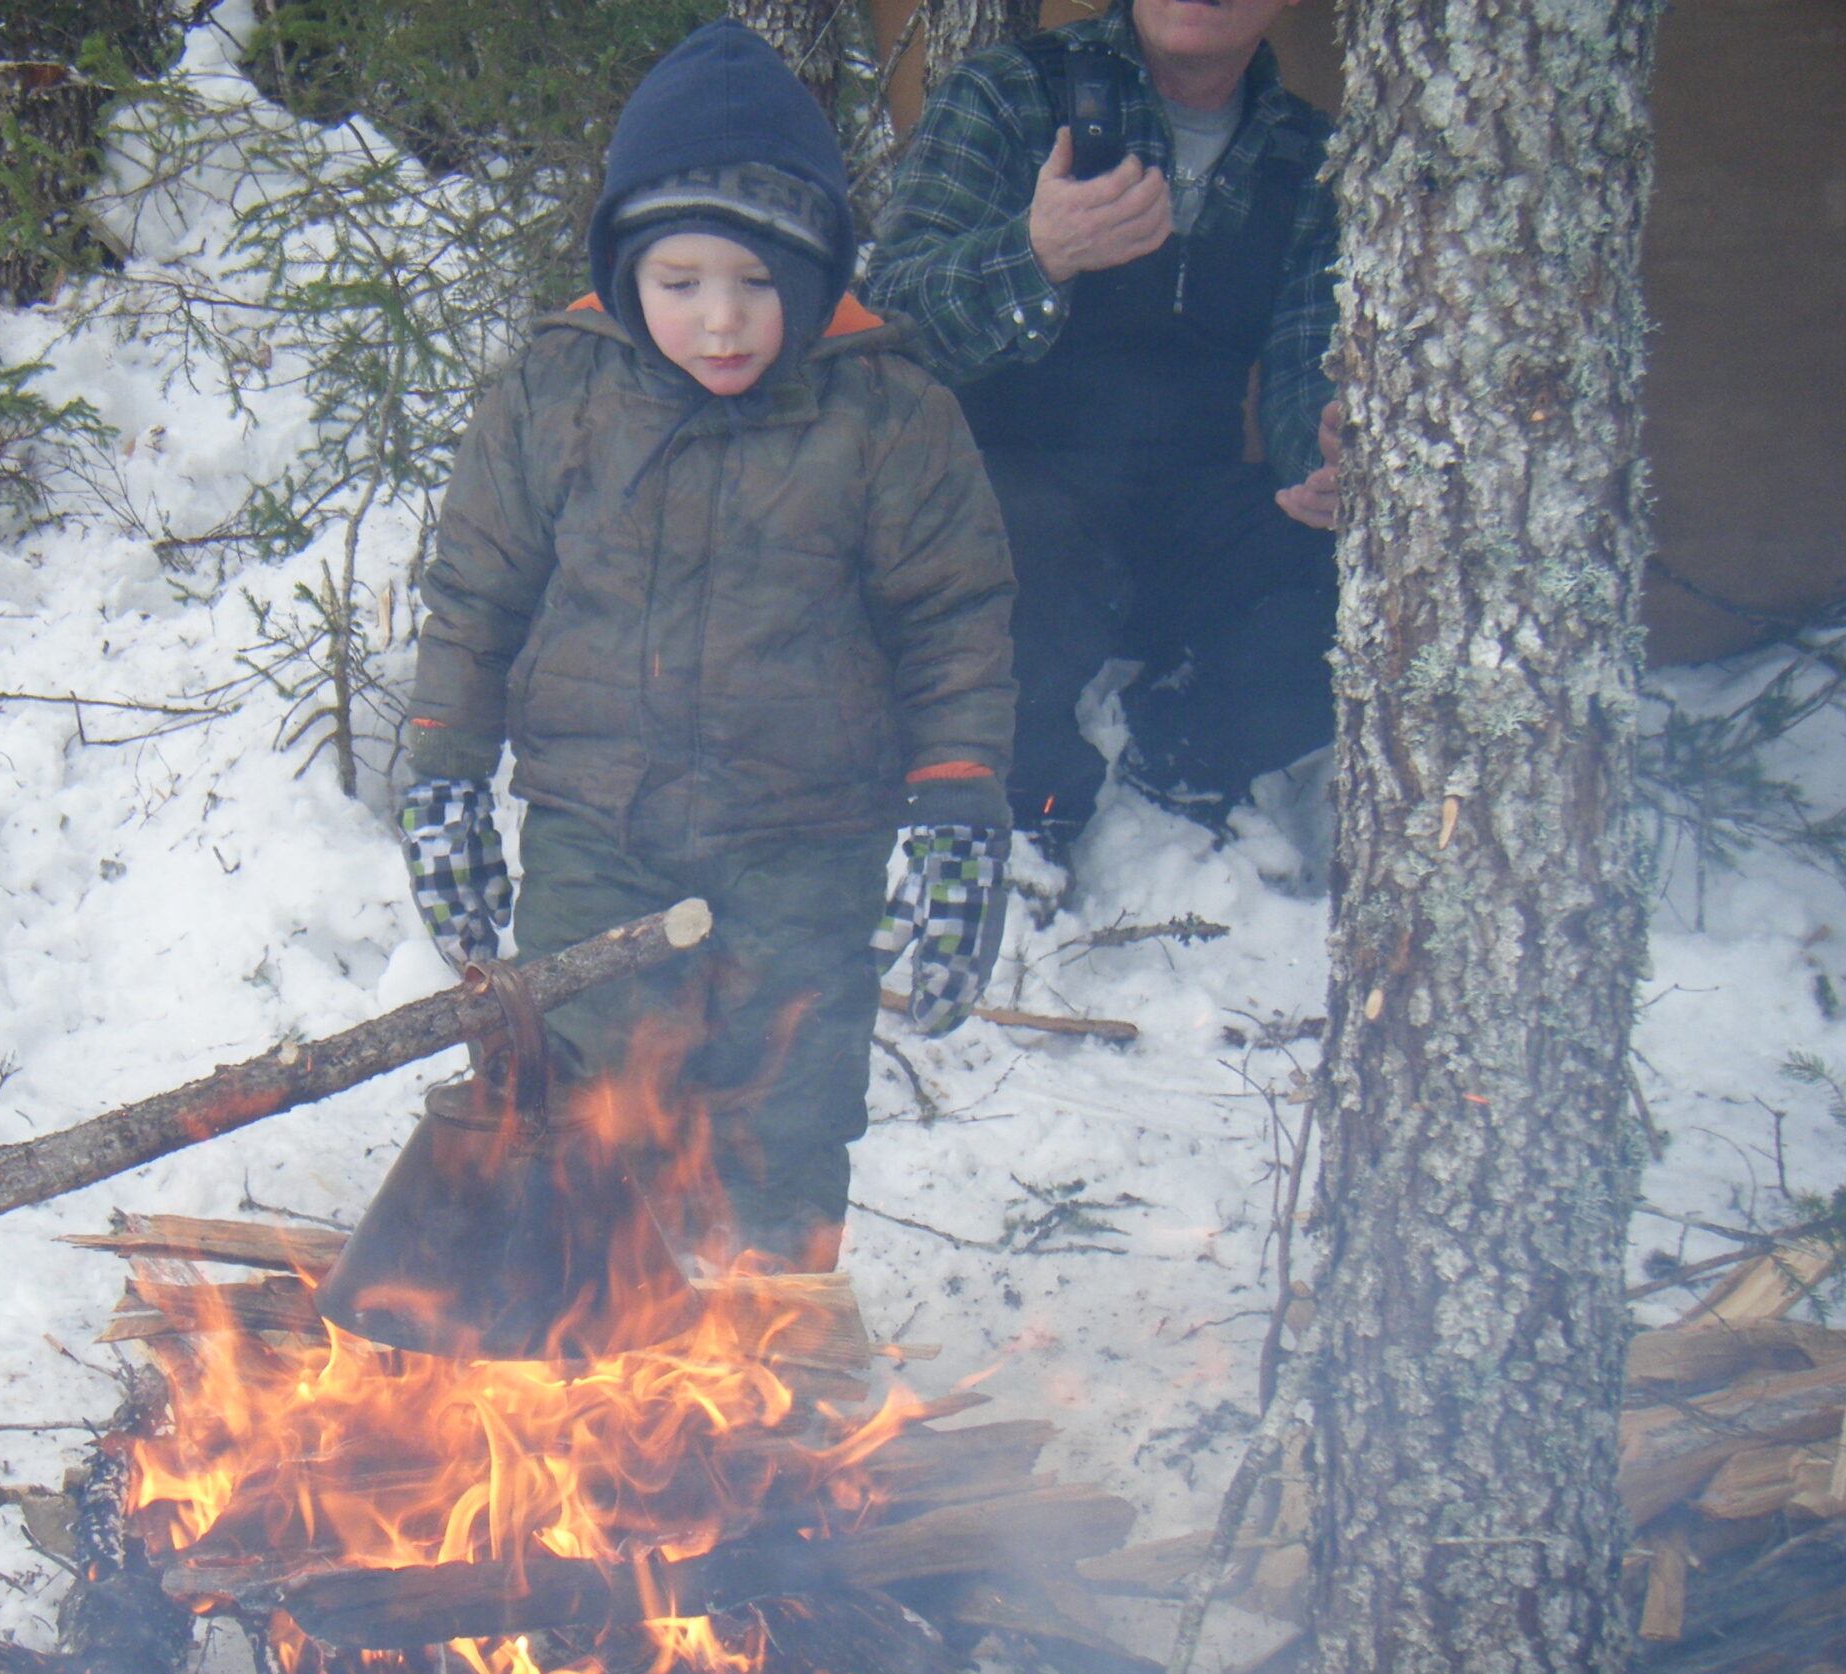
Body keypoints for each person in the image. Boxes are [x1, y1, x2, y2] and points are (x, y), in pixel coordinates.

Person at [394, 19, 1018, 1274]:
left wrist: (957, 824)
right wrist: (443, 779)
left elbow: (954, 625)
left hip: (806, 840)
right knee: (580, 1099)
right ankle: (591, 1356)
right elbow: (475, 598)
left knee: (784, 1110)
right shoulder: (555, 395)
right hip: (595, 831)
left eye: (756, 283)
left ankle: (773, 1360)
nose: (721, 322)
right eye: (681, 284)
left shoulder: (887, 413)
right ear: (627, 274)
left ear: (820, 271)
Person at [864, 0, 1343, 856]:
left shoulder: (1308, 156)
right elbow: (889, 325)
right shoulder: (1011, 95)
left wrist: (1325, 459)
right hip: (1012, 512)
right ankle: (1027, 811)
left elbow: (1307, 365)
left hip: (1177, 512)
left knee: (1358, 562)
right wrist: (1037, 254)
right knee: (1017, 533)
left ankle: (1181, 758)